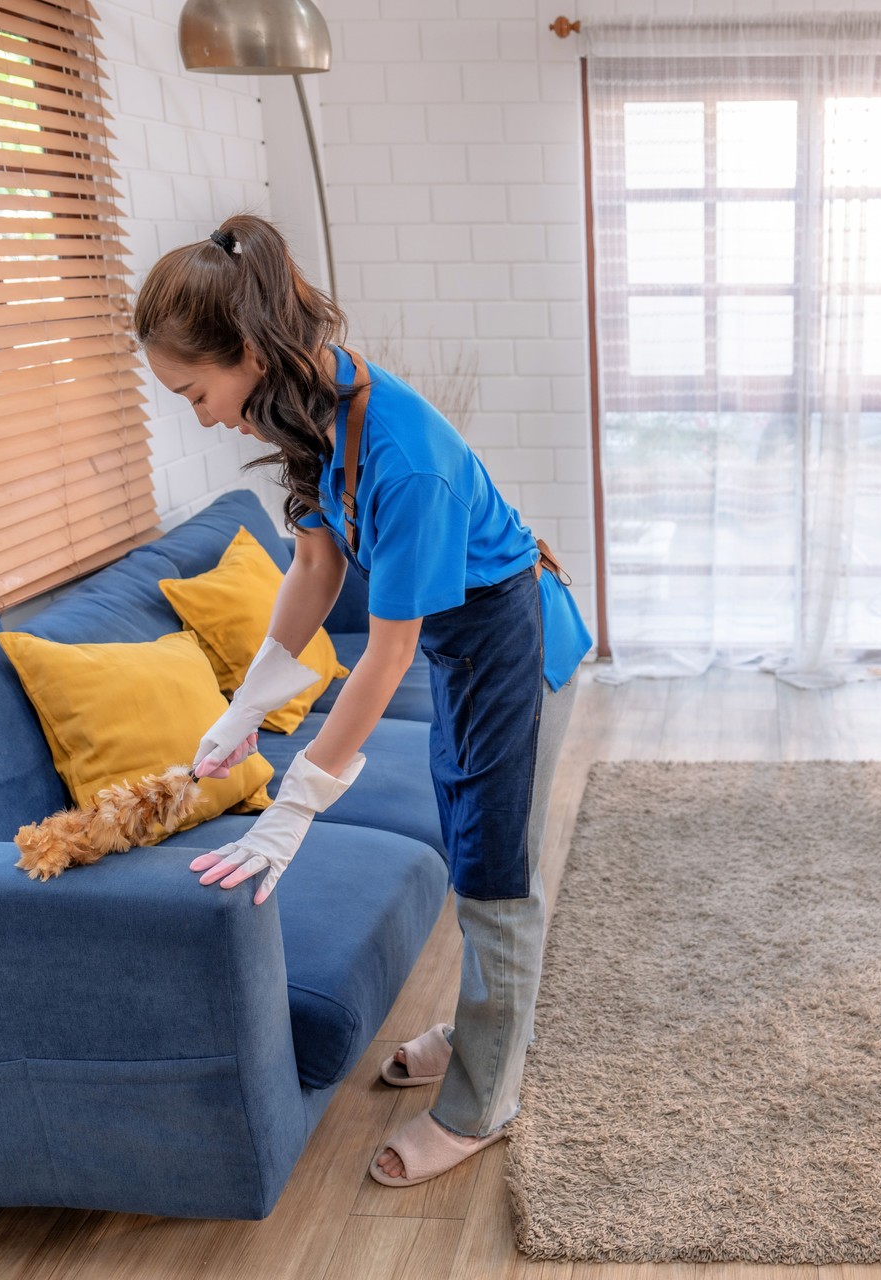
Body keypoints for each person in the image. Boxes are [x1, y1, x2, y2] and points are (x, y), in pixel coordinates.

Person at [132, 214, 592, 1187]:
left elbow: (386, 656)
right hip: (461, 643)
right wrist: (247, 701)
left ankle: (482, 1101)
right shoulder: (310, 410)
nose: (204, 413)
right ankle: (481, 1030)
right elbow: (312, 560)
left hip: (510, 639)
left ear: (247, 353)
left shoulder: (401, 455)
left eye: (197, 390)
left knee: (498, 869)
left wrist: (294, 805)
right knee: (469, 837)